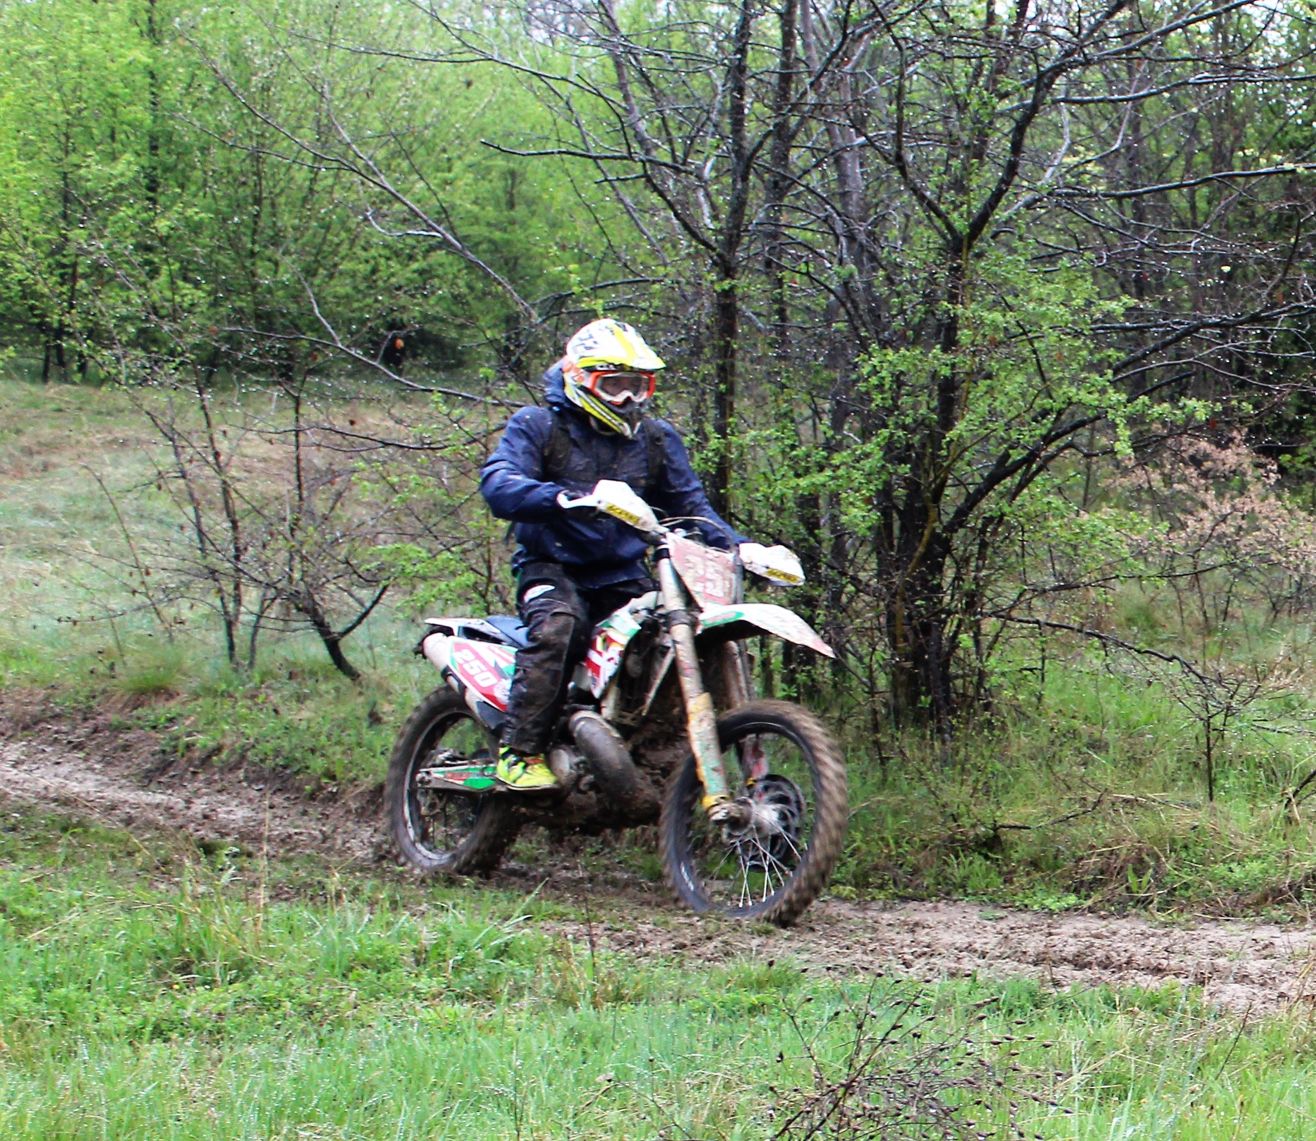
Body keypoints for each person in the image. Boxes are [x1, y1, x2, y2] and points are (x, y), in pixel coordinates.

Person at [479, 318, 744, 791]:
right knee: (559, 627)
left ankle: (653, 750)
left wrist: (743, 549)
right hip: (552, 567)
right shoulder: (539, 426)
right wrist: (569, 498)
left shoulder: (655, 439)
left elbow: (692, 508)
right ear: (580, 378)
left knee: (676, 635)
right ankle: (520, 751)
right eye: (614, 385)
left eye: (637, 386)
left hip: (623, 574)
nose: (627, 399)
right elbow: (500, 484)